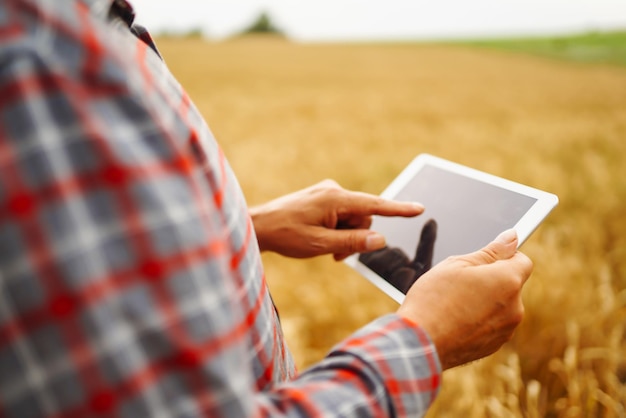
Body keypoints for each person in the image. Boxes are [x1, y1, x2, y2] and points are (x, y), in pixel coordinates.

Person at [0, 1, 533, 417]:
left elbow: (78, 263)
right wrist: (425, 338)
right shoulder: (43, 62)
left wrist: (242, 228)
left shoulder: (77, 31)